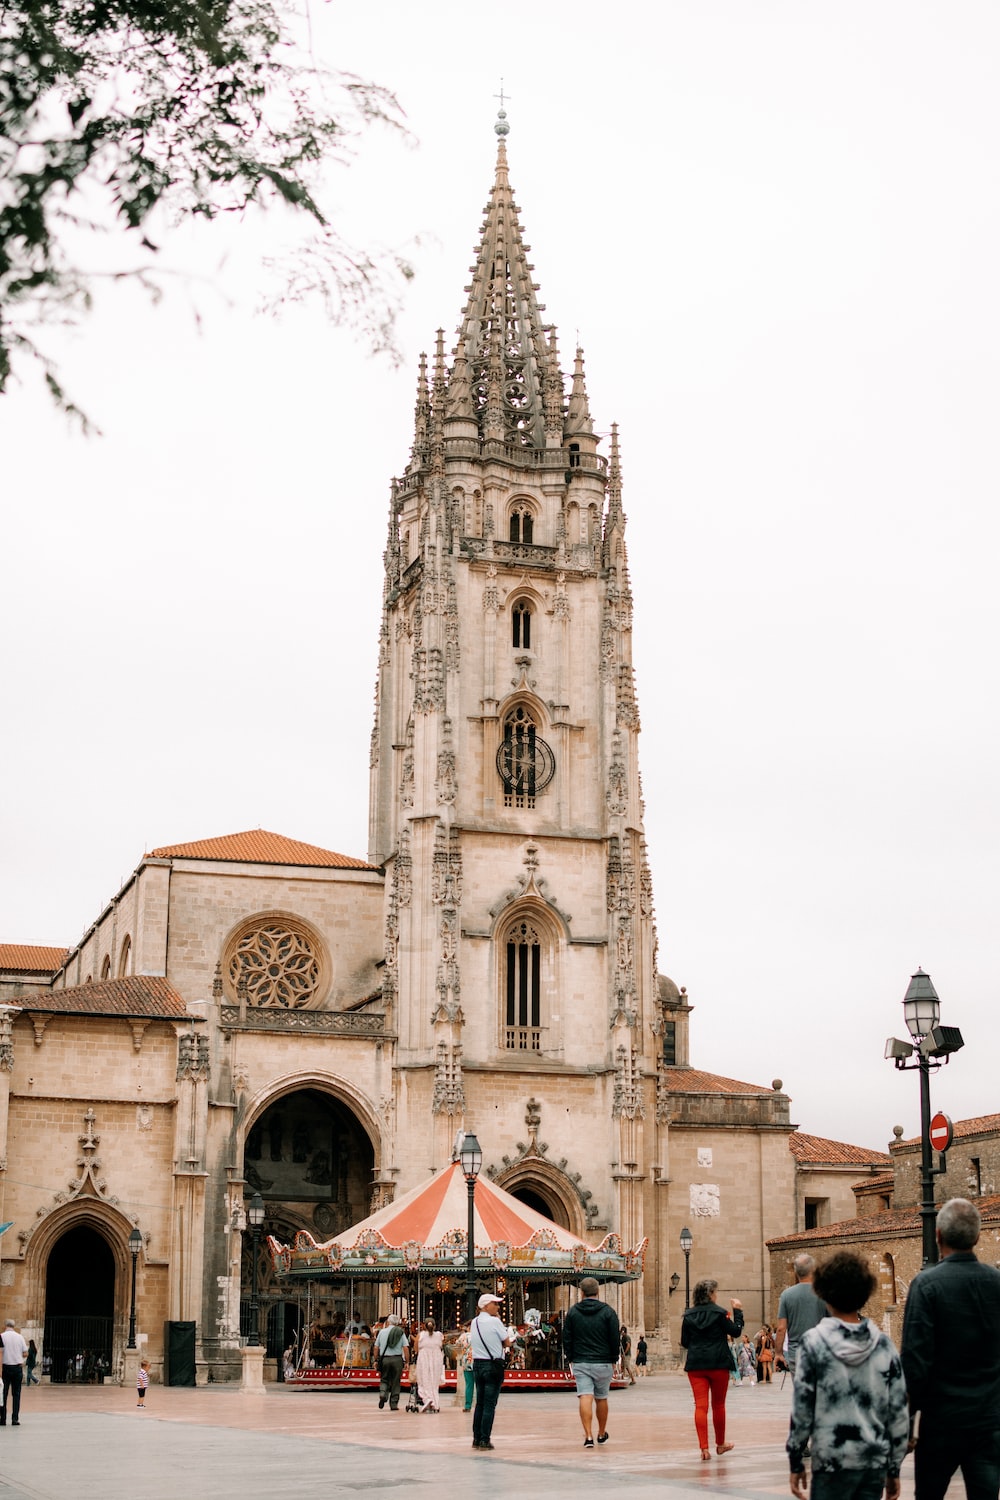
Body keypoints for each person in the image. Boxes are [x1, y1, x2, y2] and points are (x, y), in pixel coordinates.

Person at [787, 1250, 908, 1500]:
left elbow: (802, 1406)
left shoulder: (813, 1343)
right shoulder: (884, 1345)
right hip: (872, 1460)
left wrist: (796, 1459)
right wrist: (893, 1466)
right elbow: (897, 1410)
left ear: (823, 1293)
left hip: (831, 1459)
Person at [901, 1197, 1000, 1500]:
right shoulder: (996, 1283)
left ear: (938, 1236)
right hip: (989, 1419)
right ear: (977, 1237)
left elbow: (915, 1359)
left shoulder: (926, 1285)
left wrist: (907, 1418)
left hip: (941, 1419)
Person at [681, 1277, 744, 1460]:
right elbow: (736, 1331)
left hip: (696, 1365)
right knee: (718, 1405)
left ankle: (704, 1448)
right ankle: (720, 1444)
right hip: (718, 1363)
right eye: (715, 1292)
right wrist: (738, 1312)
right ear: (710, 1294)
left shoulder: (688, 1315)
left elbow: (685, 1342)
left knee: (700, 1406)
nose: (717, 1295)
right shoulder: (720, 1314)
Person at [562, 1276, 621, 1448]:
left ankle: (588, 1436)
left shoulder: (573, 1312)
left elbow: (567, 1338)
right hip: (603, 1361)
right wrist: (613, 1358)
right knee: (601, 1398)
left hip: (581, 1360)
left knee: (585, 1396)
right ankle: (601, 1433)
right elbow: (614, 1338)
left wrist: (571, 1357)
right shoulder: (608, 1312)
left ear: (581, 1293)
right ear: (598, 1291)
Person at [470, 1292, 512, 1451]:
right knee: (489, 1404)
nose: (498, 1306)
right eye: (495, 1304)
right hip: (493, 1366)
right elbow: (507, 1342)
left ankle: (476, 1438)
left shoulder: (474, 1322)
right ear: (486, 1306)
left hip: (478, 1364)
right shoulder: (495, 1322)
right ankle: (485, 1440)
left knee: (479, 1403)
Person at [776, 1255, 827, 1377]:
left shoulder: (786, 1295)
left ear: (795, 1272)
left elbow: (781, 1328)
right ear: (813, 1270)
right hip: (820, 1350)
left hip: (797, 1353)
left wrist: (778, 1353)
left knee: (802, 1392)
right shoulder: (824, 1293)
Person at [374, 1313, 409, 1411]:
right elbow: (405, 1347)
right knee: (395, 1381)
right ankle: (393, 1404)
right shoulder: (400, 1332)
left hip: (385, 1358)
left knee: (384, 1378)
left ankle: (383, 1394)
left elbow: (376, 1347)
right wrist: (407, 1361)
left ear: (388, 1322)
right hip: (397, 1359)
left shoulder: (382, 1332)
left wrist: (376, 1360)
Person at [0, 1320, 28, 1426]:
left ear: (5, 1325)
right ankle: (15, 1419)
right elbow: (25, 1353)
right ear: (14, 1326)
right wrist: (19, 1358)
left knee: (3, 1394)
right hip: (17, 1368)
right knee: (16, 1394)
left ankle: (2, 1419)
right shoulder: (19, 1337)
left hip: (5, 1368)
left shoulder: (1, 1336)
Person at [414, 1316, 444, 1413]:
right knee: (434, 1382)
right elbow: (441, 1346)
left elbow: (415, 1349)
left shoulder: (420, 1335)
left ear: (424, 1326)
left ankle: (427, 1398)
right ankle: (436, 1403)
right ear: (434, 1326)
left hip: (424, 1358)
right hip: (437, 1359)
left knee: (423, 1379)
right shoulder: (439, 1335)